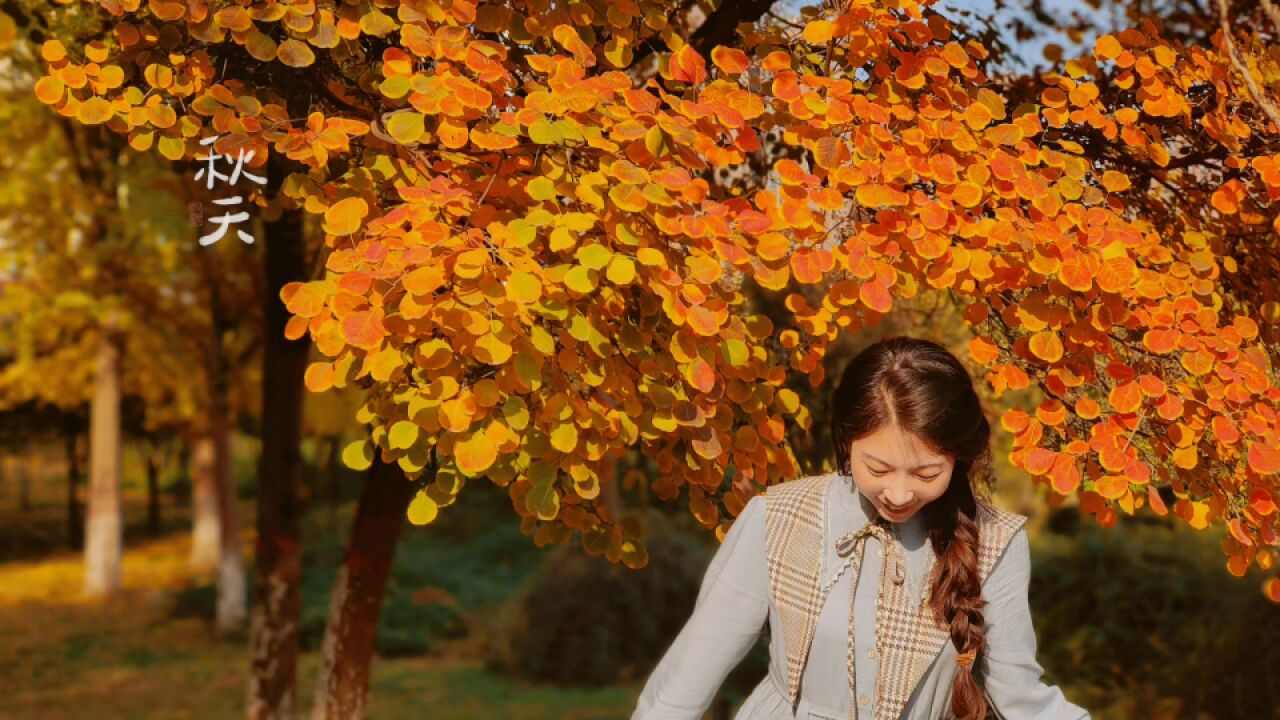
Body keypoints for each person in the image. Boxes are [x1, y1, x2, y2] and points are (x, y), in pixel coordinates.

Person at [631, 336, 1091, 720]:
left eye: (927, 474)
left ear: (959, 458)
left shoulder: (995, 543)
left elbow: (1023, 700)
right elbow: (686, 682)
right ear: (847, 442)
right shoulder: (780, 517)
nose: (898, 493)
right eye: (878, 468)